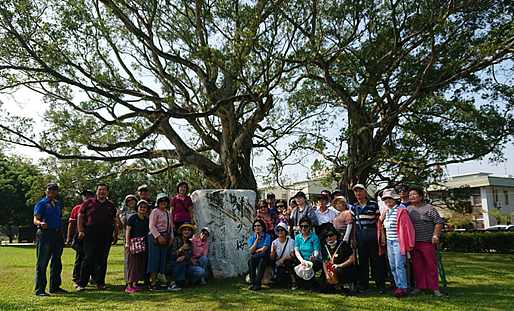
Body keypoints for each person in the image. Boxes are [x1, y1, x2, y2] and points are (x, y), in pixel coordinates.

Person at [76, 184, 119, 291]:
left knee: (102, 259)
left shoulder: (111, 205)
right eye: (100, 190)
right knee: (88, 258)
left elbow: (115, 221)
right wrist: (80, 231)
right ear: (96, 192)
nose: (102, 192)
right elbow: (80, 217)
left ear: (107, 192)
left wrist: (116, 235)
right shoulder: (88, 203)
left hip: (106, 233)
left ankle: (100, 283)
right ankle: (82, 283)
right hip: (90, 233)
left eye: (104, 190)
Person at [377, 189, 415, 298]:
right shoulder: (385, 212)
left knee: (400, 265)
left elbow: (408, 228)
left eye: (390, 198)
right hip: (389, 241)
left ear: (395, 199)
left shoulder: (401, 211)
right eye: (385, 199)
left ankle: (402, 287)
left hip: (399, 241)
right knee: (392, 265)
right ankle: (398, 285)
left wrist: (409, 244)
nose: (388, 200)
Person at [407, 186, 444, 297]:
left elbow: (438, 222)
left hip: (428, 241)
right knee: (417, 266)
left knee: (431, 265)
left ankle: (434, 288)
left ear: (421, 196)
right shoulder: (407, 210)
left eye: (414, 194)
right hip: (414, 242)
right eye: (410, 195)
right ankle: (420, 287)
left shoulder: (429, 208)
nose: (412, 197)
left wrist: (435, 236)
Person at [351, 184, 387, 294]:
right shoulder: (354, 207)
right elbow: (354, 224)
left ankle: (380, 285)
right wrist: (354, 238)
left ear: (365, 192)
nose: (358, 193)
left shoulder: (373, 205)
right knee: (363, 261)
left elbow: (378, 222)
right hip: (360, 235)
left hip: (372, 233)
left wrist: (381, 235)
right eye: (356, 192)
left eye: (360, 191)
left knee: (376, 260)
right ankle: (364, 285)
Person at [33, 182, 67, 296]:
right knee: (42, 262)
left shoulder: (57, 204)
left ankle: (55, 286)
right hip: (45, 234)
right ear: (45, 190)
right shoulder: (41, 204)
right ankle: (40, 289)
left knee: (57, 261)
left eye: (54, 190)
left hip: (57, 234)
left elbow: (59, 220)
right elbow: (35, 219)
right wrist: (40, 224)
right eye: (50, 189)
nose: (52, 191)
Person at [66, 189, 95, 288]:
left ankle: (94, 277)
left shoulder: (96, 208)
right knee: (80, 258)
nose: (87, 197)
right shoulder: (77, 208)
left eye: (89, 195)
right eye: (85, 196)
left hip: (93, 236)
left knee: (94, 258)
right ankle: (77, 278)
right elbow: (72, 224)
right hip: (80, 236)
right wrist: (69, 237)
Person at [318, 225, 358, 296]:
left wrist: (340, 265)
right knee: (322, 289)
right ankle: (336, 285)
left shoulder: (344, 245)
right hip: (331, 271)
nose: (329, 238)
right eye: (326, 237)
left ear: (336, 235)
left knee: (339, 270)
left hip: (345, 269)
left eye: (330, 235)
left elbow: (352, 259)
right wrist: (326, 273)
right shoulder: (325, 247)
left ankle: (345, 287)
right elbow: (324, 261)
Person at [147, 193, 174, 291]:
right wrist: (158, 236)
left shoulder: (168, 213)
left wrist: (171, 238)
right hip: (155, 237)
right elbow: (151, 226)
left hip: (165, 237)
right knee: (154, 259)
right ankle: (153, 282)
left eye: (165, 201)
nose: (163, 203)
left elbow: (170, 227)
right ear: (158, 202)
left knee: (162, 259)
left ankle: (159, 281)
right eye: (161, 201)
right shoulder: (155, 211)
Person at [124, 200, 149, 292]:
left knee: (140, 263)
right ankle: (129, 285)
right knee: (133, 264)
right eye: (141, 207)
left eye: (144, 207)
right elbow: (128, 230)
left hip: (142, 242)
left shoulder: (145, 219)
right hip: (133, 242)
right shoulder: (133, 218)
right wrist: (127, 243)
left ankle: (135, 283)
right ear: (137, 208)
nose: (142, 209)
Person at [167, 222, 199, 291]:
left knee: (200, 271)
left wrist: (184, 257)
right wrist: (181, 249)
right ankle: (172, 283)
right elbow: (171, 254)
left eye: (188, 230)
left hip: (185, 264)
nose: (186, 232)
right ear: (182, 231)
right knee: (180, 263)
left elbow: (189, 255)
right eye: (185, 230)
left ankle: (184, 281)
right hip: (172, 264)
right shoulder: (176, 240)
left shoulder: (189, 243)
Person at [294, 218, 322, 292]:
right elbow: (296, 251)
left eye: (306, 226)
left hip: (314, 260)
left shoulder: (314, 237)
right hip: (302, 260)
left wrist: (313, 258)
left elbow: (317, 251)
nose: (303, 228)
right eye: (301, 226)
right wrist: (302, 260)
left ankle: (312, 286)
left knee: (310, 266)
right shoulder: (298, 237)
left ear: (309, 227)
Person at [270, 223, 297, 290]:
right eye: (278, 230)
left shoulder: (291, 241)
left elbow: (292, 256)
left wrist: (283, 259)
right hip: (279, 264)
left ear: (285, 231)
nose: (280, 232)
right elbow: (272, 258)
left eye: (282, 230)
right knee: (281, 272)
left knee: (288, 262)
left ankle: (294, 281)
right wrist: (273, 250)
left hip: (288, 261)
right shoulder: (274, 242)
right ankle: (286, 281)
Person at [119, 194, 138, 287]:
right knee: (128, 259)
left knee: (137, 260)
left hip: (139, 238)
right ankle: (128, 280)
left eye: (132, 200)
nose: (131, 202)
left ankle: (136, 280)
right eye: (129, 201)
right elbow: (121, 226)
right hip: (128, 238)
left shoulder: (140, 210)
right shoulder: (124, 212)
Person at [248, 219, 271, 291]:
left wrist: (256, 251)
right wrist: (257, 240)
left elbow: (264, 249)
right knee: (254, 260)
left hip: (266, 256)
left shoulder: (267, 236)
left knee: (262, 258)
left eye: (258, 226)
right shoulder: (252, 238)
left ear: (263, 227)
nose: (256, 227)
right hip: (257, 257)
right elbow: (251, 250)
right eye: (255, 226)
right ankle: (254, 282)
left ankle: (256, 282)